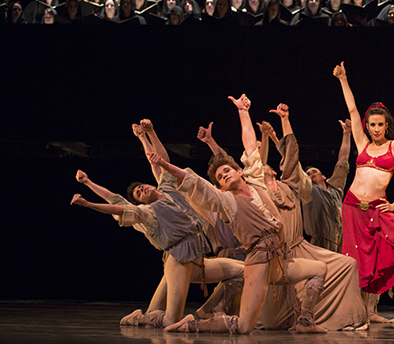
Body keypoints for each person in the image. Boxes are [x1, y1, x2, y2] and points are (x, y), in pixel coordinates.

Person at [156, 96, 329, 335]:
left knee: (319, 268)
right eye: (220, 177)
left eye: (227, 170)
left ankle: (305, 321)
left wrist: (243, 112)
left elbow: (250, 148)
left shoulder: (256, 182)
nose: (224, 175)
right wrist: (166, 166)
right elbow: (198, 185)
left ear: (239, 171)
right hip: (258, 262)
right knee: (244, 327)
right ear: (222, 187)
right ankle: (191, 324)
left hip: (278, 260)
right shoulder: (228, 202)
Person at [197, 99, 367, 331]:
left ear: (275, 170)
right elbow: (233, 165)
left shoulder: (289, 185)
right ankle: (210, 317)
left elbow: (292, 155)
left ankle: (330, 318)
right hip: (274, 253)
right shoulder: (255, 188)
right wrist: (214, 142)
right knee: (271, 323)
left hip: (301, 246)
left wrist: (285, 120)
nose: (263, 163)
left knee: (347, 264)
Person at [70, 120, 244, 329]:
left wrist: (149, 133)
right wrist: (87, 196)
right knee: (172, 320)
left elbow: (158, 161)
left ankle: (201, 309)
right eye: (138, 194)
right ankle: (141, 318)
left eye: (141, 186)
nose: (141, 189)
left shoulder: (169, 189)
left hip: (198, 259)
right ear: (140, 202)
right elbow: (116, 204)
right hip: (179, 259)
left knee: (244, 270)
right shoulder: (147, 213)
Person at [332, 62, 394, 325]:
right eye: (372, 124)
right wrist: (343, 79)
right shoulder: (362, 143)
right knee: (355, 261)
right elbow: (352, 108)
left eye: (380, 124)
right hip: (351, 207)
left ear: (387, 125)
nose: (376, 129)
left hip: (378, 208)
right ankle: (359, 314)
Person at [303, 119, 352, 252]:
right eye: (308, 174)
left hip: (341, 242)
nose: (311, 174)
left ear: (323, 176)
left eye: (314, 171)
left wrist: (347, 133)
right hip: (319, 245)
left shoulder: (335, 188)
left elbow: (343, 159)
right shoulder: (309, 190)